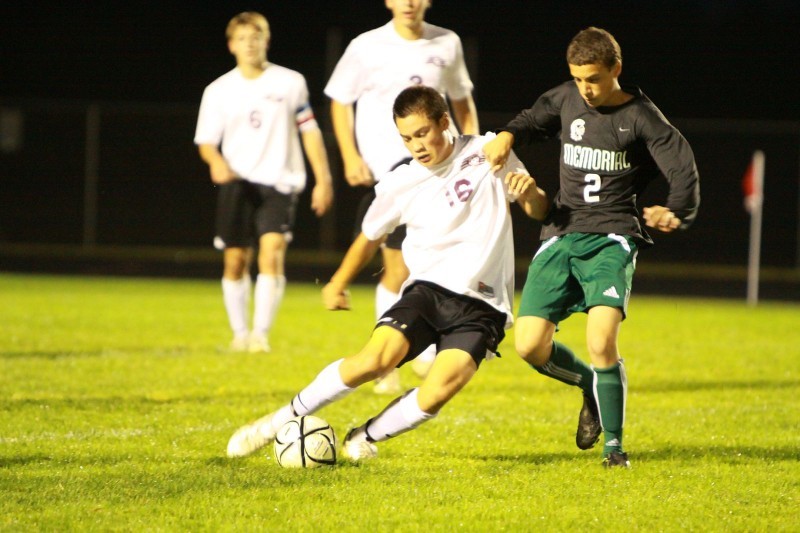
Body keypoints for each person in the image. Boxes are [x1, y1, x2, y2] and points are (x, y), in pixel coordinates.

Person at [226, 85, 548, 460]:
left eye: (423, 133)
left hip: (483, 303)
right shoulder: (401, 182)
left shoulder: (489, 151)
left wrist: (529, 194)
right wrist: (338, 282)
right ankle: (277, 421)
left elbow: (539, 210)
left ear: (445, 122)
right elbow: (368, 236)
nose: (416, 146)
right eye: (407, 138)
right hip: (428, 291)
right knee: (375, 361)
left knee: (441, 387)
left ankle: (364, 437)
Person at [483, 27, 700, 468]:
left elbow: (682, 166)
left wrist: (676, 210)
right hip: (562, 232)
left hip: (613, 237)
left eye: (594, 79)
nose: (586, 88)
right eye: (579, 78)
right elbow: (530, 119)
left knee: (601, 340)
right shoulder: (566, 99)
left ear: (616, 70)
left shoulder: (642, 116)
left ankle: (614, 448)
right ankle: (591, 388)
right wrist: (507, 135)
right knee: (527, 345)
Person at [324, 0, 479, 393]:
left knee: (431, 262)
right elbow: (340, 99)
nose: (409, 2)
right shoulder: (365, 46)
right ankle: (390, 363)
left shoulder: (447, 42)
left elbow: (461, 101)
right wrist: (349, 155)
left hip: (441, 173)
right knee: (396, 269)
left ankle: (421, 354)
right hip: (393, 174)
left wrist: (473, 152)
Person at [194, 12, 333, 353]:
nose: (250, 44)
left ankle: (260, 335)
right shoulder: (218, 90)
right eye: (242, 38)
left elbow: (309, 131)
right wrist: (216, 163)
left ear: (266, 41)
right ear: (231, 45)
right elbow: (206, 142)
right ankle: (239, 333)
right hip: (237, 183)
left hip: (280, 182)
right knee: (236, 260)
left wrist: (323, 179)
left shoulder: (290, 82)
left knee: (271, 253)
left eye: (256, 37)